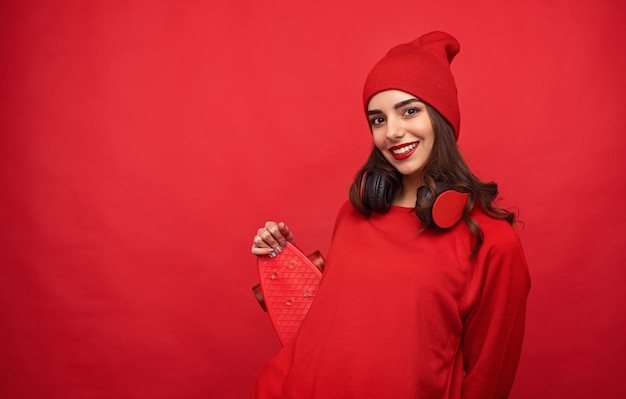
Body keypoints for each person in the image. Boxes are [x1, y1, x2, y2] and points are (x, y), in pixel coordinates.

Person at [250, 31, 530, 399]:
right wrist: (283, 261)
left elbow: (488, 379)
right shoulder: (356, 212)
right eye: (377, 119)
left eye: (410, 110)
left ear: (442, 118)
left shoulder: (492, 240)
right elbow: (342, 320)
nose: (392, 132)